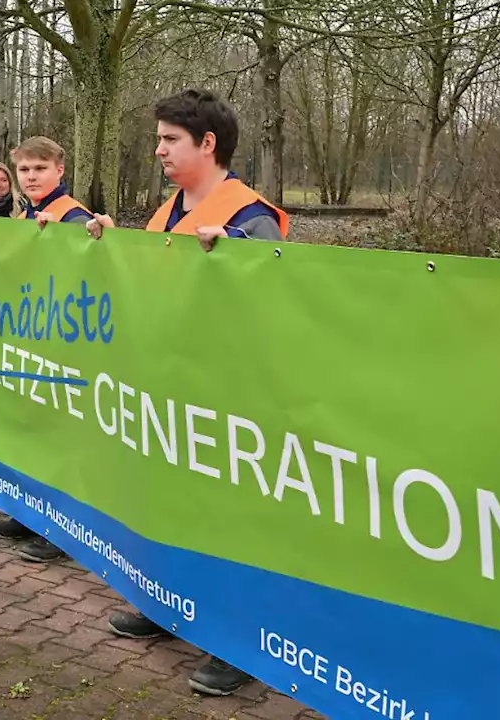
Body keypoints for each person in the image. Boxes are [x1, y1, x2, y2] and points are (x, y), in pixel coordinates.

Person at [87, 88, 288, 698]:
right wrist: (106, 243)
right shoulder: (165, 213)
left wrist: (230, 263)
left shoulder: (252, 218)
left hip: (228, 397)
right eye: (159, 140)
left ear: (208, 144)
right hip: (164, 388)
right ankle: (164, 601)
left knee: (232, 519)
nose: (159, 151)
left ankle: (242, 640)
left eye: (171, 140)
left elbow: (277, 311)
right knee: (168, 501)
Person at [0, 137, 91, 564]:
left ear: (60, 170)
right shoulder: (23, 215)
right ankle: (28, 513)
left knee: (58, 437)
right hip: (27, 337)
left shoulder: (74, 216)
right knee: (28, 429)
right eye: (24, 170)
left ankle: (61, 529)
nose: (31, 177)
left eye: (40, 169)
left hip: (63, 344)